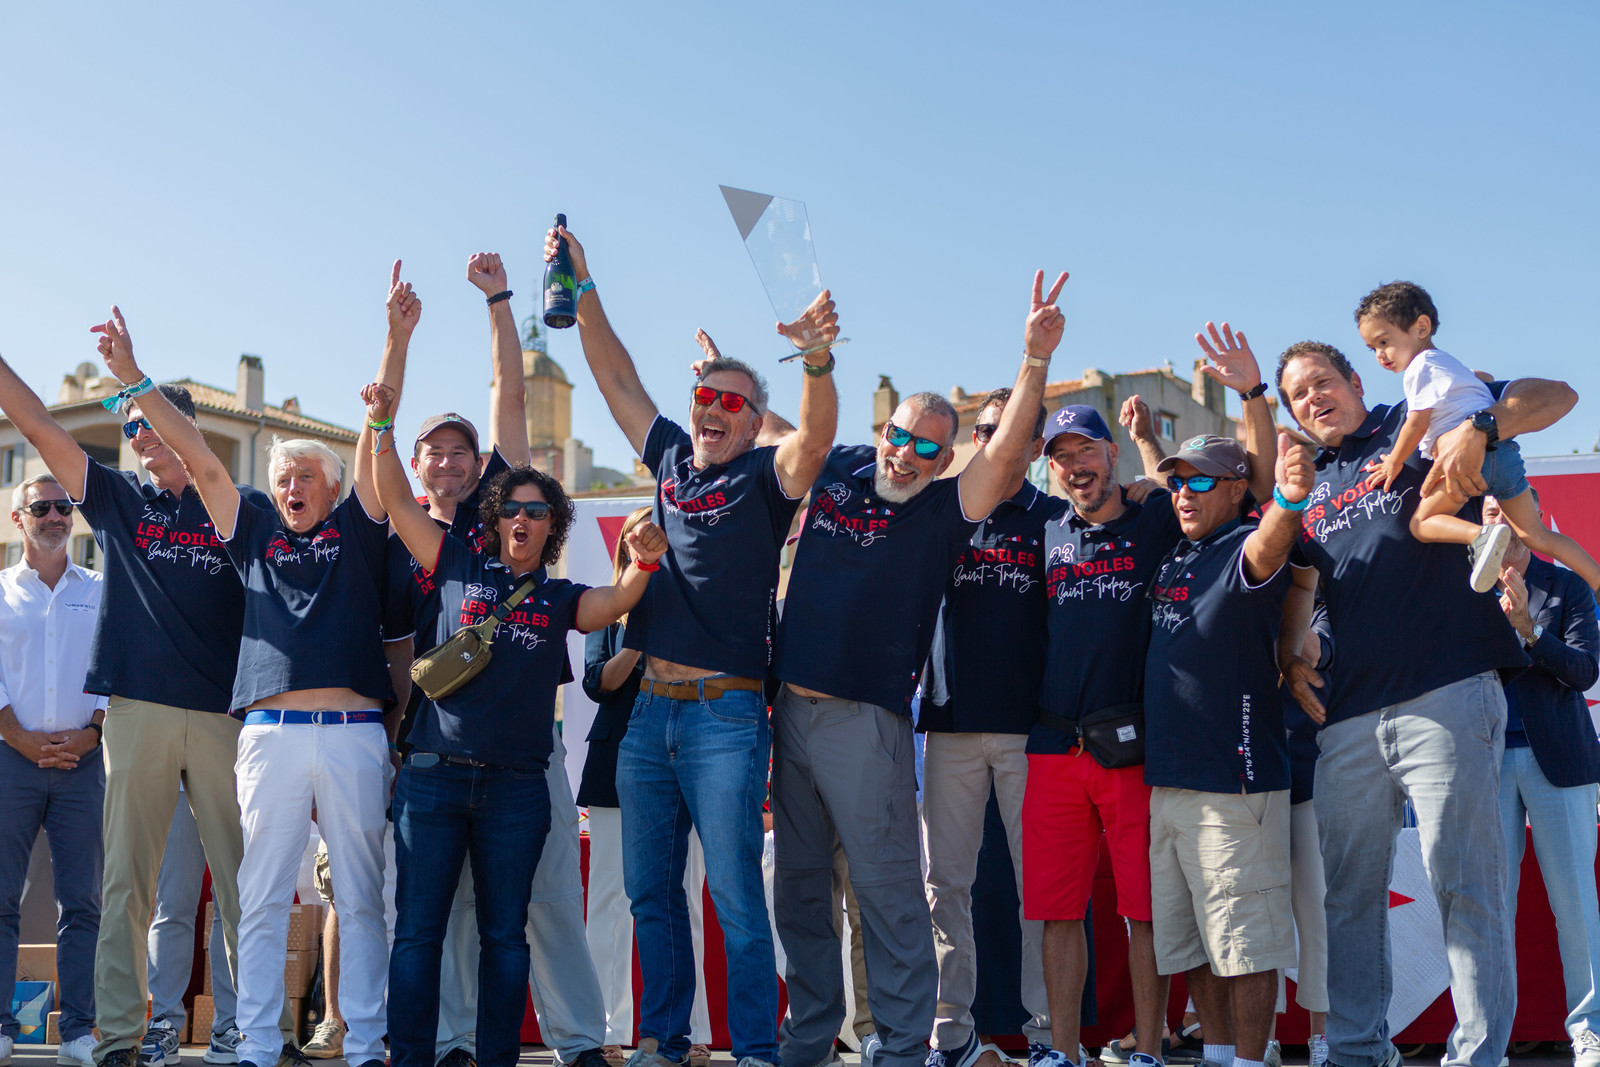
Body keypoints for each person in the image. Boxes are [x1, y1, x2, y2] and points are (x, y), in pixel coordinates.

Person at [545, 222, 840, 1067]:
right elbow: (615, 377)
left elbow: (814, 440)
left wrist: (816, 360)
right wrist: (585, 284)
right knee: (650, 895)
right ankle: (664, 1041)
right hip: (648, 717)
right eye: (705, 395)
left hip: (725, 716)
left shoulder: (765, 476)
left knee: (737, 898)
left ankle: (754, 1050)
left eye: (732, 403)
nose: (712, 409)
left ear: (753, 424)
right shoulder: (672, 455)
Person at [769, 271, 1071, 1067]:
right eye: (901, 436)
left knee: (890, 892)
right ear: (885, 429)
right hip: (790, 712)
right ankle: (808, 1041)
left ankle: (906, 1048)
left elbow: (1003, 455)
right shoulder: (839, 466)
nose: (907, 454)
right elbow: (793, 426)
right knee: (800, 891)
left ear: (946, 459)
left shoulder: (944, 511)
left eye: (929, 447)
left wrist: (1034, 360)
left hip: (865, 718)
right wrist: (802, 359)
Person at [93, 306, 395, 1067]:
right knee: (259, 896)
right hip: (269, 739)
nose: (292, 486)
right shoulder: (252, 531)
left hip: (354, 737)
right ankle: (257, 1044)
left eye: (306, 477)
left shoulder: (357, 533)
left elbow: (376, 438)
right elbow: (202, 459)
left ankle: (366, 1043)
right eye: (282, 477)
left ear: (332, 489)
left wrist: (395, 341)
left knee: (362, 897)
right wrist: (135, 378)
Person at [1275, 339, 1577, 1067]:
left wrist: (1485, 426)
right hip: (1348, 721)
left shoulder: (1420, 416)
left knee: (1467, 888)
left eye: (1322, 381)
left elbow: (1559, 395)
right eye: (1298, 394)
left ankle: (1477, 1057)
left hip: (1449, 694)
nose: (1313, 398)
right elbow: (1307, 590)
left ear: (1355, 381)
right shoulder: (1311, 485)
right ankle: (1357, 1053)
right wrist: (1291, 654)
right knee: (1349, 900)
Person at [368, 371, 667, 1067]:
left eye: (537, 510)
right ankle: (412, 1056)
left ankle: (496, 1057)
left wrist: (644, 565)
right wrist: (381, 425)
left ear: (551, 525)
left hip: (517, 787)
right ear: (495, 517)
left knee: (506, 936)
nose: (523, 519)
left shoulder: (559, 596)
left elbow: (614, 602)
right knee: (418, 933)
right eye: (512, 509)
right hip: (434, 777)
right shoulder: (451, 561)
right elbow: (394, 497)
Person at [0, 349, 280, 1067]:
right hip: (136, 713)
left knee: (243, 882)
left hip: (223, 716)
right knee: (126, 884)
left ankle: (253, 1032)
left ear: (187, 424)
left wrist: (136, 376)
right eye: (129, 427)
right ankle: (120, 1036)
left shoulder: (240, 503)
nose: (138, 435)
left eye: (150, 420)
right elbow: (38, 426)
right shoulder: (119, 499)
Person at [1025, 323, 1275, 1067]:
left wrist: (1155, 445)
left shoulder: (1157, 518)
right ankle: (1063, 1052)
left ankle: (1150, 1046)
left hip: (1132, 746)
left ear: (1109, 454)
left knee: (1147, 912)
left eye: (1086, 451)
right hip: (1053, 744)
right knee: (1058, 912)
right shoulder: (1046, 531)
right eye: (1061, 457)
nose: (1075, 466)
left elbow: (1234, 485)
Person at [1142, 432, 1311, 1067]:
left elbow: (1271, 546)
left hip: (1233, 786)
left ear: (1238, 490)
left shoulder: (1244, 544)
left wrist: (1287, 501)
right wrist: (1145, 441)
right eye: (1177, 481)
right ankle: (1217, 1057)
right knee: (1195, 947)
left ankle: (1248, 1060)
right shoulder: (1179, 552)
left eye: (1201, 481)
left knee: (1246, 948)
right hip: (1170, 781)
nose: (1184, 493)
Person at [916, 388, 1053, 1067]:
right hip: (950, 725)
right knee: (945, 884)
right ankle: (951, 1033)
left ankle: (1048, 1034)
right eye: (987, 429)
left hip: (1032, 731)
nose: (998, 439)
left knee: (1041, 887)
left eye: (1014, 430)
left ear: (1036, 445)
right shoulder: (943, 506)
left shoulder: (1054, 517)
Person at [1355, 281, 1600, 593]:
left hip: (1469, 464)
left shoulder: (1419, 369)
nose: (1380, 354)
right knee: (1536, 534)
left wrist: (1393, 462)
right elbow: (1483, 379)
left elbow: (1415, 423)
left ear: (1421, 327)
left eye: (1384, 341)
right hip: (1505, 454)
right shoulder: (1447, 363)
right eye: (1372, 348)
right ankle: (1596, 580)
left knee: (1422, 523)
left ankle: (1481, 536)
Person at [1486, 491, 1600, 1067]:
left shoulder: (1567, 586)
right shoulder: (1461, 592)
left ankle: (1589, 1027)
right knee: (1489, 908)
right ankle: (1488, 1035)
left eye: (1508, 512)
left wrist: (1530, 631)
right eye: (1488, 514)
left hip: (1560, 759)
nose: (1498, 522)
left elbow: (1584, 672)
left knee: (1575, 905)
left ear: (1529, 519)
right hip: (1483, 764)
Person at [0, 475, 104, 1067]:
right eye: (41, 506)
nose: (55, 515)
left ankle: (79, 1032)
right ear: (18, 518)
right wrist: (17, 736)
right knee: (1, 898)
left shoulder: (101, 589)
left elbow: (114, 666)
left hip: (81, 765)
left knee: (82, 903)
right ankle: (1, 1027)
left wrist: (92, 734)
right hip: (8, 761)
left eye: (64, 505)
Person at [580, 506, 654, 1065]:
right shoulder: (605, 609)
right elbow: (598, 683)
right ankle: (604, 1026)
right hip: (612, 763)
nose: (642, 544)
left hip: (683, 759)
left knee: (684, 897)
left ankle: (688, 1029)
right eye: (633, 537)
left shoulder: (691, 603)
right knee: (608, 897)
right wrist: (637, 637)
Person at [144, 790, 241, 1065]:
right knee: (173, 904)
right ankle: (164, 1023)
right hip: (177, 785)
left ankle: (228, 1027)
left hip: (232, 781)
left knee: (231, 908)